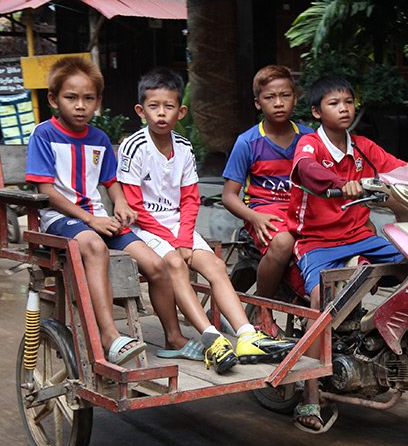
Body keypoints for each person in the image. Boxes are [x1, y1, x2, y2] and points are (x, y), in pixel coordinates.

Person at [118, 67, 294, 375]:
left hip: (177, 225)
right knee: (174, 263)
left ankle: (246, 335)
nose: (161, 114)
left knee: (214, 266)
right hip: (144, 227)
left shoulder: (184, 147)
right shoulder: (134, 146)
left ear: (181, 111)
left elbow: (189, 199)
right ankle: (211, 338)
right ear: (140, 110)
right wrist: (176, 243)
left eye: (169, 107)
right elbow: (134, 206)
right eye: (154, 107)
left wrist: (184, 238)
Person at [24, 56, 193, 366]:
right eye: (71, 98)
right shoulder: (44, 135)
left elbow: (112, 181)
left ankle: (174, 336)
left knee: (156, 265)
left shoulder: (99, 139)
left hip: (99, 219)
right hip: (60, 220)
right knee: (93, 245)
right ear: (53, 99)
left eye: (88, 98)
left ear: (98, 101)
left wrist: (122, 203)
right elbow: (46, 192)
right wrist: (89, 218)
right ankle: (108, 334)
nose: (80, 106)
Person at [287, 76, 408, 432]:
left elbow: (399, 168)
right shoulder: (309, 145)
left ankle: (384, 337)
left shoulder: (363, 148)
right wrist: (339, 185)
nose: (344, 108)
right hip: (317, 242)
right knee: (318, 301)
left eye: (348, 102)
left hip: (361, 237)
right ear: (316, 111)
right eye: (334, 103)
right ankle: (310, 395)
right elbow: (307, 171)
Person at [221, 65, 314, 336]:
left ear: (295, 98)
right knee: (284, 241)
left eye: (285, 95)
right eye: (270, 97)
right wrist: (254, 217)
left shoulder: (309, 137)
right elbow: (229, 195)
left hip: (304, 212)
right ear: (257, 103)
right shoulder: (247, 143)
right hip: (266, 214)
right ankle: (265, 311)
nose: (278, 103)